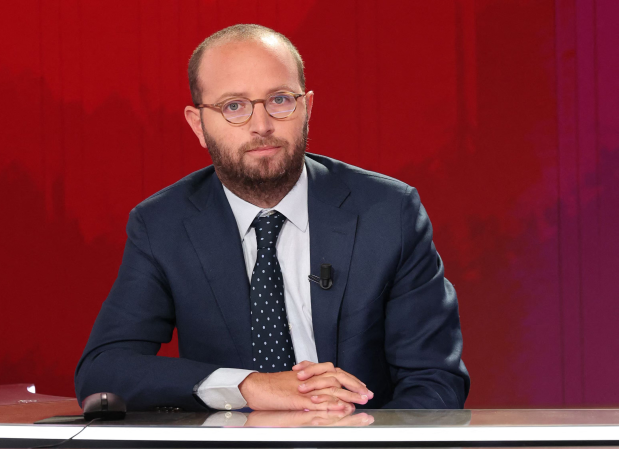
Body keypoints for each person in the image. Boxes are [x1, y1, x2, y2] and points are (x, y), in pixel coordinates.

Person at [75, 24, 470, 412]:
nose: (261, 126)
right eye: (234, 107)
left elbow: (436, 381)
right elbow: (102, 372)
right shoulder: (162, 225)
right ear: (198, 125)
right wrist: (246, 387)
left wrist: (361, 448)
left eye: (280, 100)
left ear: (307, 108)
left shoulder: (388, 212)